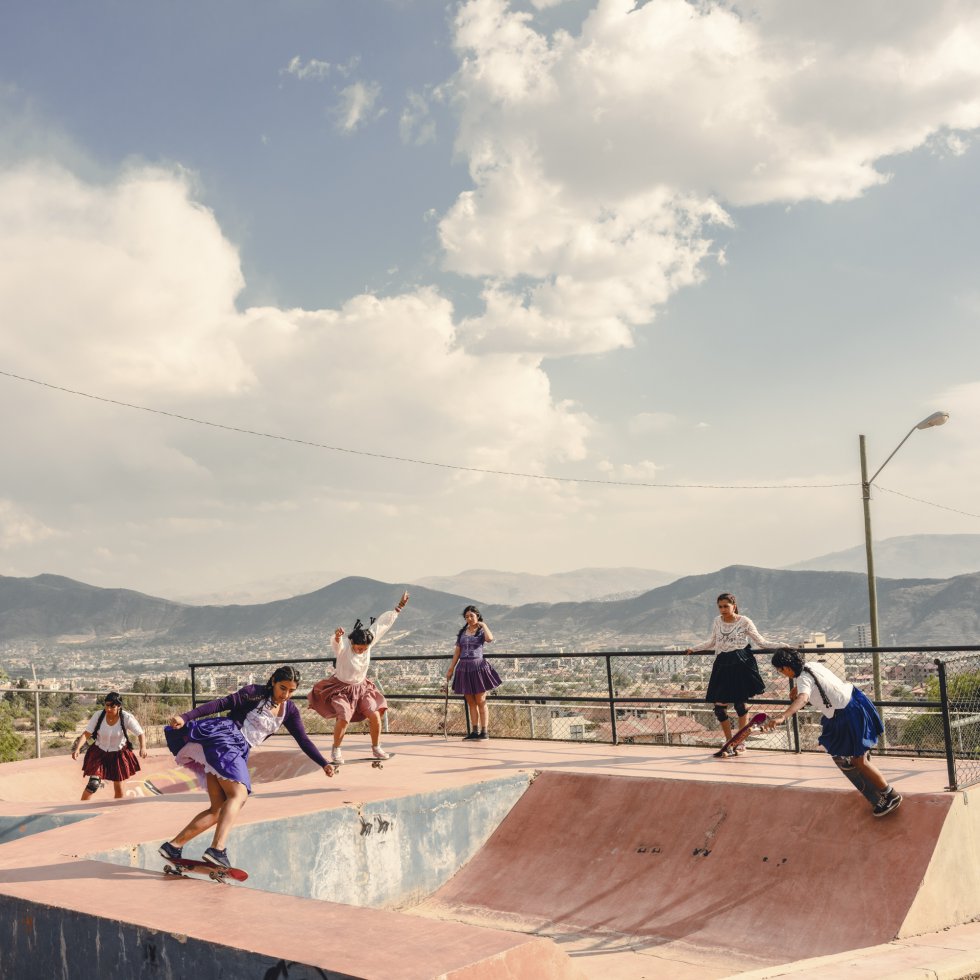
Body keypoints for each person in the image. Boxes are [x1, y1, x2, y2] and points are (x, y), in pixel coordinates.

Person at [158, 665, 333, 869]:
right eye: (282, 688)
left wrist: (324, 763)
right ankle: (218, 849)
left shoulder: (290, 711)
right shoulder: (254, 693)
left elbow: (303, 739)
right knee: (239, 795)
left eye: (291, 690)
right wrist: (186, 717)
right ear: (273, 682)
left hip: (238, 749)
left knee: (218, 810)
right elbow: (220, 704)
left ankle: (174, 845)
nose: (285, 694)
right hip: (226, 738)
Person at [765, 648, 902, 817]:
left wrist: (783, 716)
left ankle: (890, 795)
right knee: (842, 747)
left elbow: (803, 698)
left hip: (846, 713)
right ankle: (860, 759)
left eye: (780, 670)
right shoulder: (812, 665)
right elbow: (819, 684)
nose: (782, 674)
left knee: (857, 761)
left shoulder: (803, 679)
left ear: (786, 667)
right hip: (854, 701)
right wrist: (798, 690)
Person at [308, 590, 409, 765]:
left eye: (364, 648)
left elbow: (381, 625)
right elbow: (336, 644)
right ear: (352, 643)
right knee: (344, 716)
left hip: (362, 688)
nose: (361, 650)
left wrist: (399, 607)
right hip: (340, 688)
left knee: (375, 714)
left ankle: (376, 747)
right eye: (358, 648)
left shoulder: (368, 642)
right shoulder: (345, 647)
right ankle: (336, 750)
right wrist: (338, 636)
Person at [686, 592, 787, 755]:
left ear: (734, 605)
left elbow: (761, 642)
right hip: (722, 665)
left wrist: (783, 645)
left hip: (741, 665)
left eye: (726, 606)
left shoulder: (744, 621)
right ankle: (729, 741)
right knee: (719, 708)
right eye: (720, 606)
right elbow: (712, 642)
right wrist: (694, 649)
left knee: (741, 706)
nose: (723, 609)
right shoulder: (717, 621)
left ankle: (740, 742)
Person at [71, 691, 147, 800]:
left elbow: (140, 733)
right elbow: (86, 733)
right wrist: (77, 749)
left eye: (113, 706)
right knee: (93, 784)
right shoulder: (98, 715)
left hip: (118, 754)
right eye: (107, 705)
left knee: (119, 789)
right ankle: (80, 807)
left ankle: (117, 812)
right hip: (99, 752)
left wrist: (143, 747)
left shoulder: (127, 717)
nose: (109, 709)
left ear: (119, 706)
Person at [446, 605, 501, 740]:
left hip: (478, 667)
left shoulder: (481, 631)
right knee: (470, 701)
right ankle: (474, 731)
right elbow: (457, 652)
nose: (469, 619)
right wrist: (451, 669)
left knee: (481, 700)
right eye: (466, 617)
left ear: (477, 616)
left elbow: (490, 639)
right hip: (464, 668)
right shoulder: (462, 633)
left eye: (471, 616)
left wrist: (483, 624)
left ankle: (485, 731)